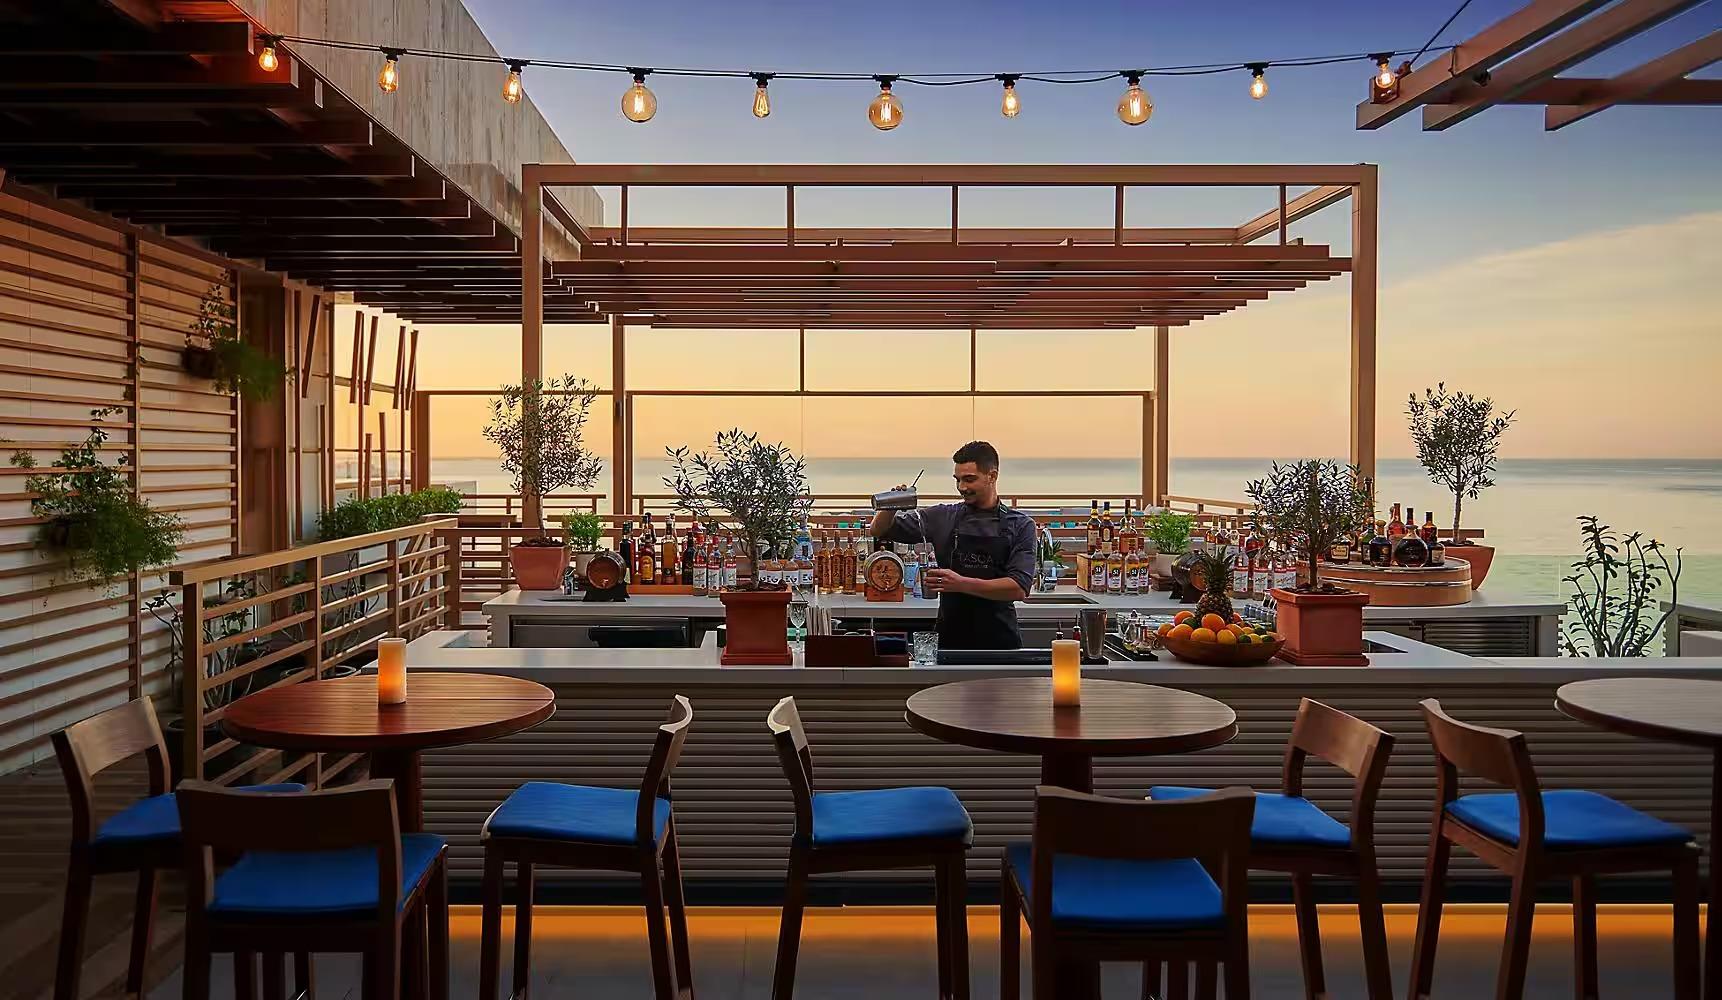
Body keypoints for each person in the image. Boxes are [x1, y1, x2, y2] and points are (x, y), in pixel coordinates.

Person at [869, 441, 1037, 650]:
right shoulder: (943, 516)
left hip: (1000, 643)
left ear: (992, 476)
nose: (962, 487)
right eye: (958, 480)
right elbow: (879, 530)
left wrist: (960, 583)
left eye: (969, 479)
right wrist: (891, 505)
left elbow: (1018, 588)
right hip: (950, 640)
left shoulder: (1020, 525)